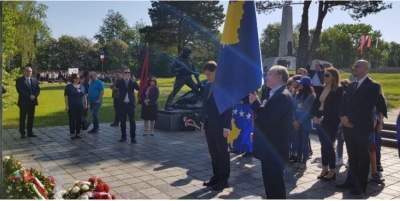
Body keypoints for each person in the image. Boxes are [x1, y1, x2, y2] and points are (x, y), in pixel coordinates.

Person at [249, 65, 293, 199]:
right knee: (270, 183)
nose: (266, 77)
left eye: (269, 74)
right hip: (270, 147)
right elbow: (269, 117)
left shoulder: (282, 96)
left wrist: (255, 103)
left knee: (275, 184)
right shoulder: (276, 94)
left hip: (275, 148)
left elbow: (268, 117)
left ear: (279, 77)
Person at [339, 60, 380, 195]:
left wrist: (349, 119)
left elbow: (367, 107)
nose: (354, 68)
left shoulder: (373, 86)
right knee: (352, 156)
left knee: (363, 156)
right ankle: (352, 181)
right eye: (354, 65)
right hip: (348, 127)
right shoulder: (351, 86)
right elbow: (343, 104)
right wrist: (343, 118)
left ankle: (361, 185)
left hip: (361, 127)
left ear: (366, 69)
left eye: (358, 66)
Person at [201, 61, 232, 191]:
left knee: (222, 153)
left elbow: (228, 108)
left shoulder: (224, 86)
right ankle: (216, 176)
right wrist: (203, 122)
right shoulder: (208, 85)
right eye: (206, 75)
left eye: (209, 74)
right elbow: (205, 105)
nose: (207, 77)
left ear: (216, 72)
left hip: (220, 126)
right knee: (213, 152)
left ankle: (224, 179)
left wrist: (226, 127)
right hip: (209, 125)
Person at [312, 67, 343, 181]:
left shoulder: (338, 90)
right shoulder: (321, 88)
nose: (324, 77)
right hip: (319, 119)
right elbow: (316, 104)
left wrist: (323, 118)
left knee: (329, 145)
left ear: (333, 77)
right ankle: (324, 167)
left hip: (330, 121)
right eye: (324, 75)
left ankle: (332, 170)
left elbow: (336, 108)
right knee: (323, 145)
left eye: (327, 75)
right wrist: (315, 116)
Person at [165, 46, 200, 111]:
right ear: (184, 52)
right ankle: (168, 105)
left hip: (189, 77)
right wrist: (179, 69)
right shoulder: (178, 59)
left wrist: (199, 82)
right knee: (175, 91)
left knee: (196, 89)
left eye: (189, 53)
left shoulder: (190, 59)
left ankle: (193, 102)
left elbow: (194, 70)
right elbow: (172, 70)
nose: (188, 54)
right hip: (181, 77)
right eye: (187, 53)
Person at [292, 76, 316, 172]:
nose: (299, 85)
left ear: (305, 85)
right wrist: (294, 120)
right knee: (298, 143)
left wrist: (299, 122)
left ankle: (303, 162)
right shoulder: (297, 94)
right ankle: (298, 161)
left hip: (305, 124)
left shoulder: (312, 96)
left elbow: (309, 112)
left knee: (304, 144)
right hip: (295, 123)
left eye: (301, 83)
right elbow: (293, 108)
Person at [115, 67, 140, 143]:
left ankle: (133, 137)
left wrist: (134, 82)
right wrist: (123, 79)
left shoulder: (132, 81)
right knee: (122, 121)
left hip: (130, 104)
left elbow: (138, 88)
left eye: (128, 73)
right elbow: (117, 86)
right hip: (122, 104)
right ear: (123, 73)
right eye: (125, 72)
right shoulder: (120, 81)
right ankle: (123, 136)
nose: (127, 74)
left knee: (132, 121)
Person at [16, 67, 40, 138]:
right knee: (23, 118)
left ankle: (30, 132)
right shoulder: (19, 80)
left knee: (31, 118)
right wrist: (29, 96)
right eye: (27, 71)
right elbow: (20, 90)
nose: (29, 72)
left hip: (32, 102)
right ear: (24, 72)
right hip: (24, 102)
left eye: (30, 71)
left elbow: (38, 89)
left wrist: (34, 96)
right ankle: (22, 133)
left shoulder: (34, 80)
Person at [64, 73, 87, 139]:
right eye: (76, 78)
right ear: (73, 79)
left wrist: (85, 104)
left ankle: (78, 133)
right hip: (72, 105)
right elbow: (66, 96)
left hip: (80, 105)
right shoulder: (69, 87)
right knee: (72, 119)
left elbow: (84, 95)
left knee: (79, 119)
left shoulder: (82, 86)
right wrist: (67, 105)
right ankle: (72, 133)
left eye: (79, 78)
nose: (78, 79)